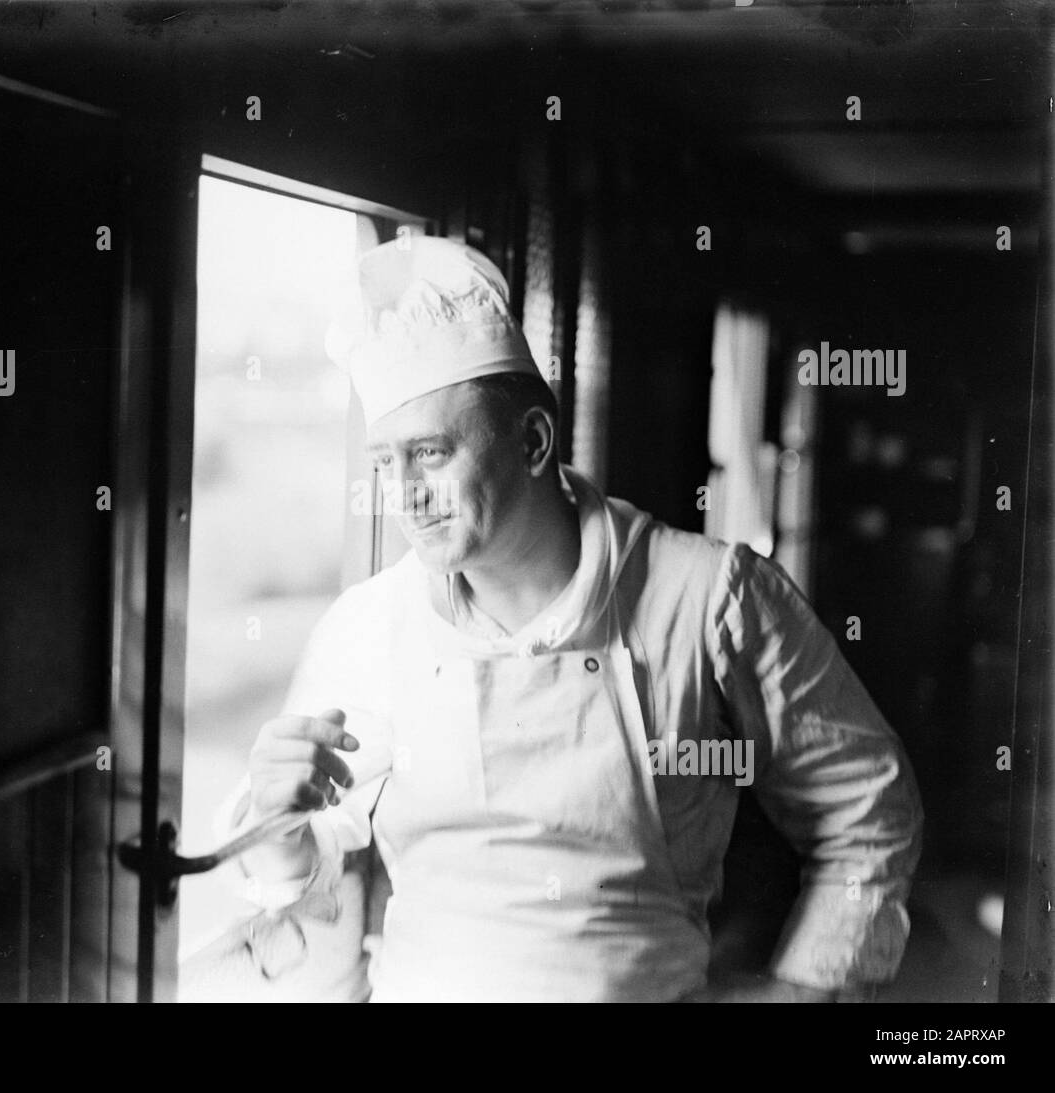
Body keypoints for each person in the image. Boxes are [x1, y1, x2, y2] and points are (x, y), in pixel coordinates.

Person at [227, 235, 923, 1002]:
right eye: (386, 462)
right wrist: (275, 821)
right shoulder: (368, 627)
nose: (406, 493)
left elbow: (868, 805)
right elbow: (312, 875)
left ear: (533, 439)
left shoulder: (707, 597)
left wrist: (805, 990)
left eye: (429, 452)